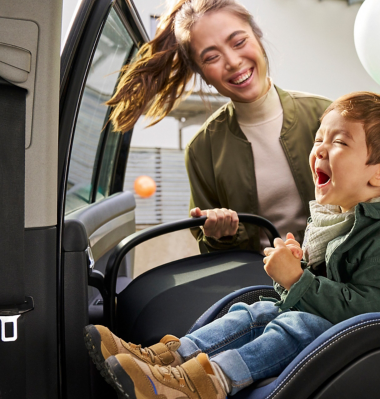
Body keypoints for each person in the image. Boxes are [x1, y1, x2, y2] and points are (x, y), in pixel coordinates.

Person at [85, 92, 380, 399]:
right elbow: (321, 292)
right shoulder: (340, 221)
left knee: (299, 323)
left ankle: (201, 393)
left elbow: (367, 311)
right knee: (255, 312)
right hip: (338, 326)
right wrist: (298, 270)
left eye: (339, 141)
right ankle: (170, 361)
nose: (321, 149)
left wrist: (298, 278)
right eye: (318, 139)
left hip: (376, 345)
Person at [106, 0, 331, 253]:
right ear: (202, 75)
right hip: (256, 286)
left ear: (258, 38)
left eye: (239, 42)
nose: (233, 62)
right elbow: (213, 254)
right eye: (212, 57)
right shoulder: (202, 149)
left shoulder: (326, 115)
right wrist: (220, 235)